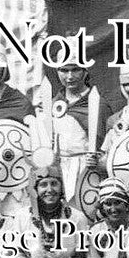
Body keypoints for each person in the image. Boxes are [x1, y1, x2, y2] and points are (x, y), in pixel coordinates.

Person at [51, 60, 111, 213]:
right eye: (64, 70)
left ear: (85, 71)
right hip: (59, 171)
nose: (70, 76)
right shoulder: (53, 104)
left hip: (86, 170)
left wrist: (99, 159)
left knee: (86, 214)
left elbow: (108, 146)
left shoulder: (98, 104)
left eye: (75, 70)